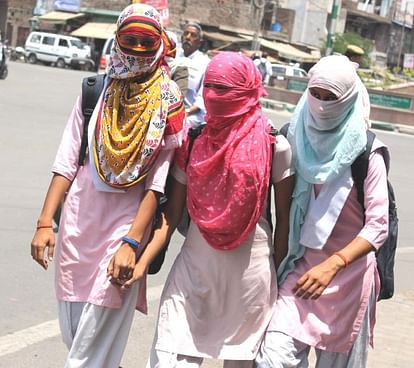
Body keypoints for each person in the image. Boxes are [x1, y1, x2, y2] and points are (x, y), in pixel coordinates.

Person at [30, 4, 184, 367]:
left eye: (147, 41)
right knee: (76, 338)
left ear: (159, 41)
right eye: (129, 40)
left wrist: (133, 242)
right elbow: (67, 159)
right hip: (77, 225)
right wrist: (43, 223)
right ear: (117, 39)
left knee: (87, 351)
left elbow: (156, 184)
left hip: (125, 229)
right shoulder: (95, 90)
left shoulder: (167, 100)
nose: (138, 49)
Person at [121, 50, 294, 367]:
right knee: (168, 355)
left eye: (224, 89)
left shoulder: (274, 145)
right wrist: (143, 259)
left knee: (239, 360)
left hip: (249, 277)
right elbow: (171, 215)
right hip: (195, 269)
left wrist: (279, 276)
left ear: (246, 89)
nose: (214, 95)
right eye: (210, 87)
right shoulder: (194, 138)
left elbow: (284, 221)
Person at [255, 55, 389, 368]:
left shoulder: (368, 153)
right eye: (317, 95)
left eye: (332, 98)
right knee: (272, 358)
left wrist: (334, 264)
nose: (322, 105)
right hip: (298, 270)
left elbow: (378, 225)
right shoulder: (292, 138)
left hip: (349, 280)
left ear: (350, 98)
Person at [176, 22, 210, 128]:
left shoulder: (205, 63)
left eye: (193, 35)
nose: (188, 37)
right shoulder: (173, 56)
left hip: (191, 113)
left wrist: (187, 112)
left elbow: (202, 96)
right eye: (186, 34)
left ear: (199, 42)